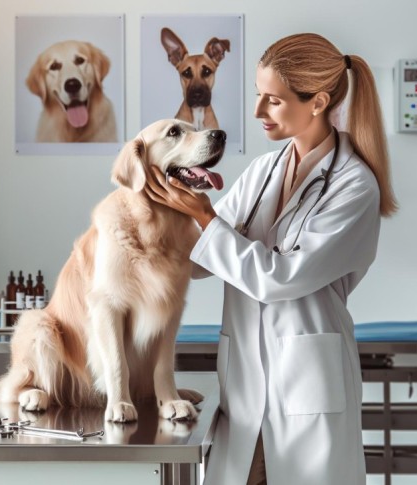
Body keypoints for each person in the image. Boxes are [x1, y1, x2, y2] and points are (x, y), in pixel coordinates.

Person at [145, 33, 397, 485]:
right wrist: (158, 221)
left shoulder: (354, 186)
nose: (258, 111)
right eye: (258, 96)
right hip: (245, 389)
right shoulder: (265, 170)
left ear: (317, 102)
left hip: (305, 391)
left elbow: (278, 278)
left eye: (273, 101)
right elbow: (206, 259)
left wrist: (203, 214)